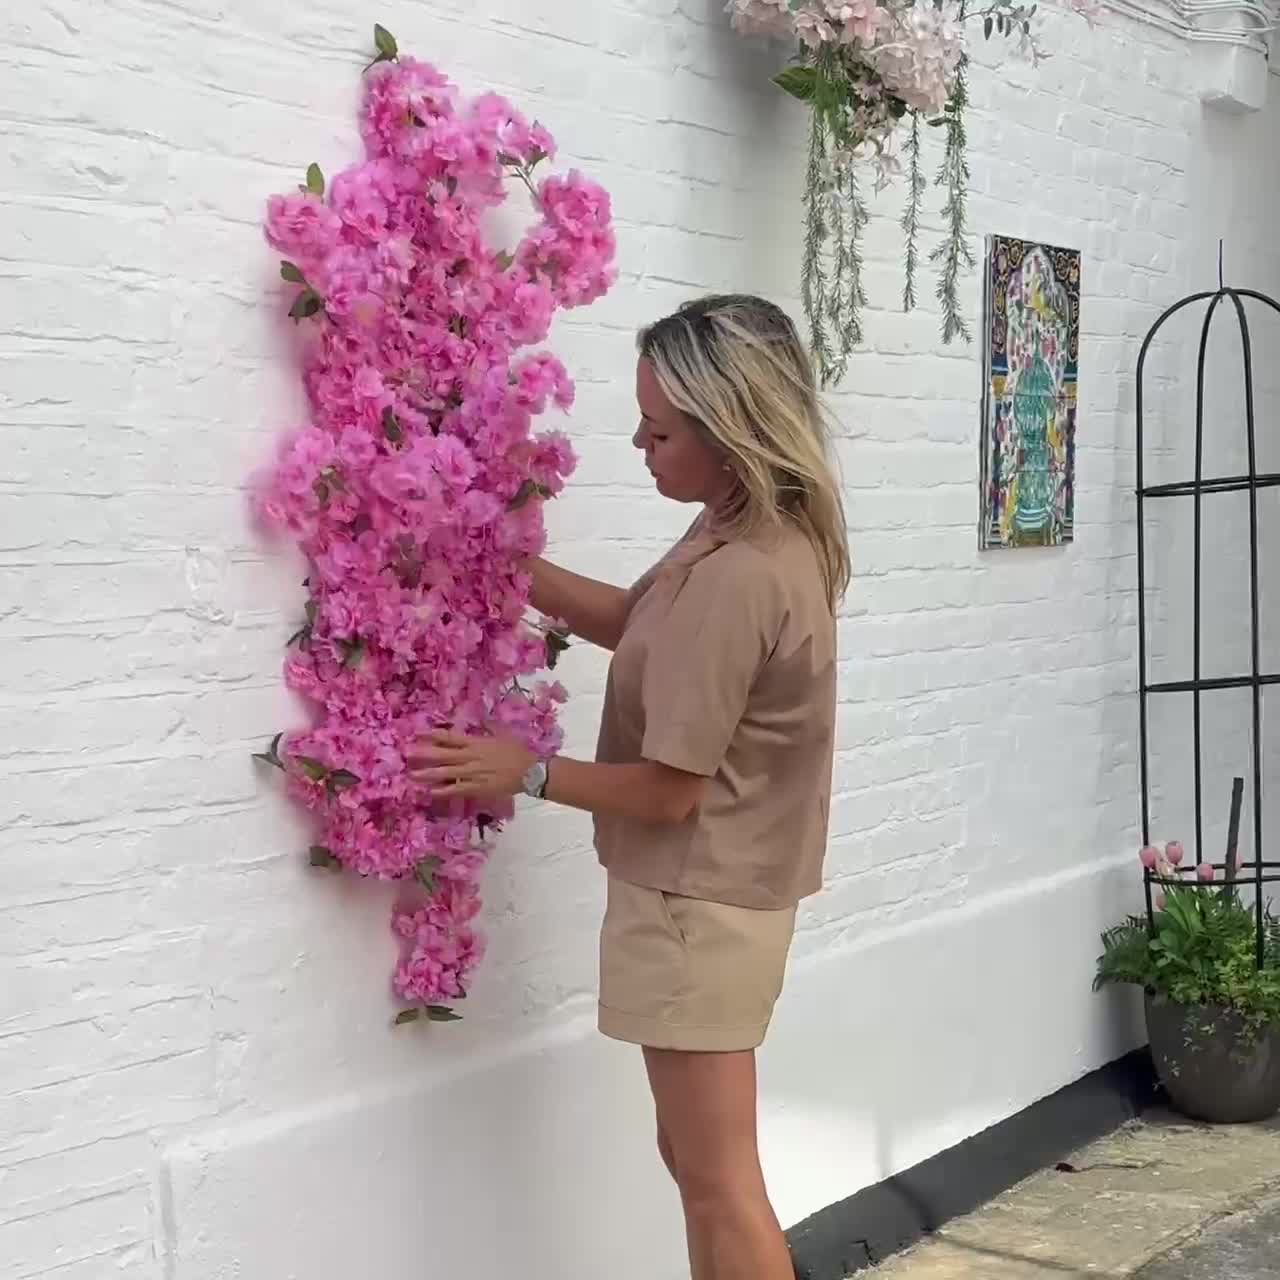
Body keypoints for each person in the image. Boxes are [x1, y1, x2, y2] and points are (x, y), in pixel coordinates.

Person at [409, 294, 849, 1279]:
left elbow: (667, 791)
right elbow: (636, 623)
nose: (636, 443)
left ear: (727, 430)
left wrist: (517, 768)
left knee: (719, 1178)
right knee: (696, 1165)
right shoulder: (734, 530)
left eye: (657, 430)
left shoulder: (742, 573)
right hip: (710, 897)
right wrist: (502, 558)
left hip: (698, 903)